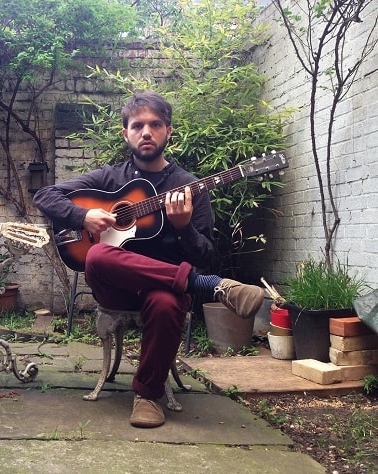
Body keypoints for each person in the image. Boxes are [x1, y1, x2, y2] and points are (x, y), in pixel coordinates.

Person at [34, 91, 264, 428]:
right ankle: (208, 286)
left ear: (168, 131)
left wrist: (184, 228)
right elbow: (45, 195)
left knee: (166, 302)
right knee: (96, 254)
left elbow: (206, 254)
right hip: (117, 287)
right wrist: (82, 217)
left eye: (155, 125)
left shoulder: (189, 187)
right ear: (125, 133)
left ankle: (147, 396)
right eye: (137, 125)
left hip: (165, 291)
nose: (146, 132)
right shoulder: (110, 178)